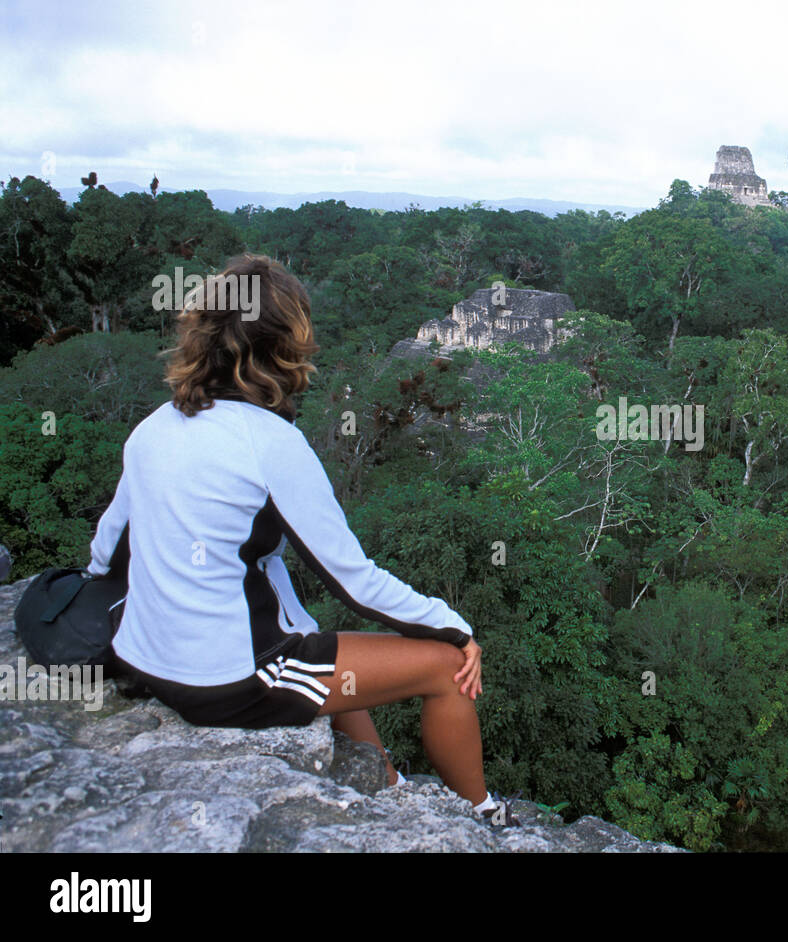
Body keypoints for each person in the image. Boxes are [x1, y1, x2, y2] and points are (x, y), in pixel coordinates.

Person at [89, 253, 517, 825]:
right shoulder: (270, 441)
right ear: (286, 345)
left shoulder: (154, 427)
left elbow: (108, 548)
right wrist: (456, 629)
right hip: (225, 678)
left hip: (141, 655)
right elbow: (352, 580)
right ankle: (483, 814)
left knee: (321, 649)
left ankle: (385, 784)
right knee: (444, 668)